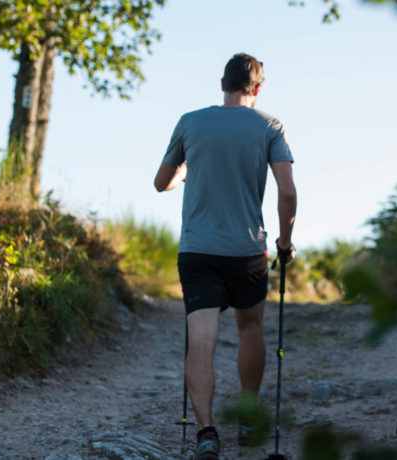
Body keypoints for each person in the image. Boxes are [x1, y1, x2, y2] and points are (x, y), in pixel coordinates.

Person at [154, 52, 297, 460]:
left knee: (201, 338)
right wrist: (284, 242)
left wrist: (185, 171)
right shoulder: (269, 125)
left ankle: (206, 432)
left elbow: (161, 182)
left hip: (197, 249)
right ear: (258, 87)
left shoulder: (191, 121)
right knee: (250, 327)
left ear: (222, 84)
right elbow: (287, 191)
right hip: (247, 249)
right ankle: (249, 415)